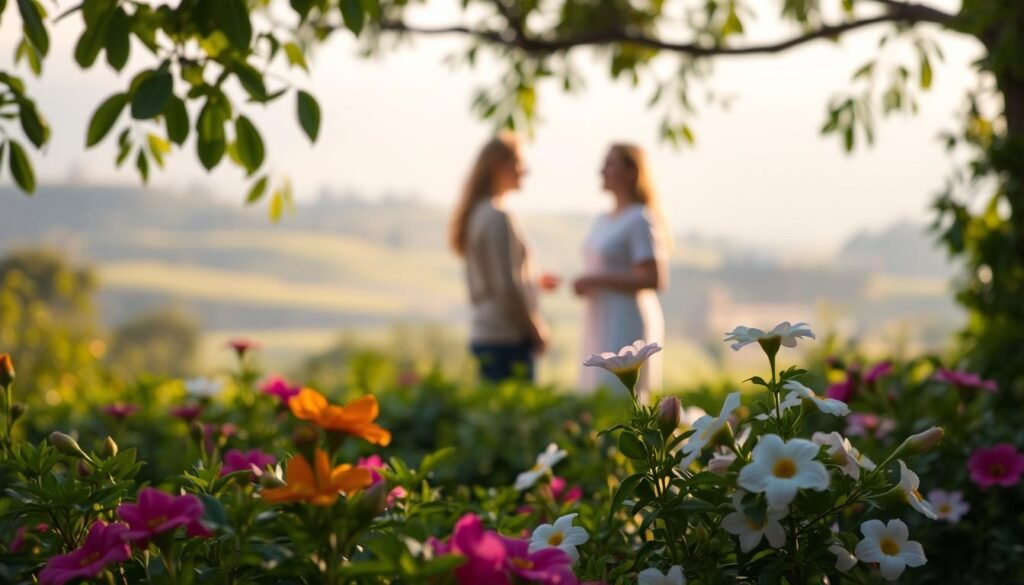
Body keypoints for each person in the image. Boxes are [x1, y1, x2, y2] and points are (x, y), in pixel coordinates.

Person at [450, 133, 557, 382]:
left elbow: (493, 276)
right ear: (498, 165)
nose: (525, 170)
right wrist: (535, 327)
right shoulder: (498, 216)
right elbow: (505, 286)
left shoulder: (477, 213)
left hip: (487, 331)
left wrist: (533, 281)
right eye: (519, 162)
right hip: (507, 336)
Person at [575, 143, 670, 400]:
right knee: (596, 393)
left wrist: (598, 279)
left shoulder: (640, 219)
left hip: (626, 317)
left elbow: (654, 277)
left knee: (622, 394)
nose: (602, 170)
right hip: (600, 316)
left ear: (631, 172)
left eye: (610, 164)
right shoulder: (602, 220)